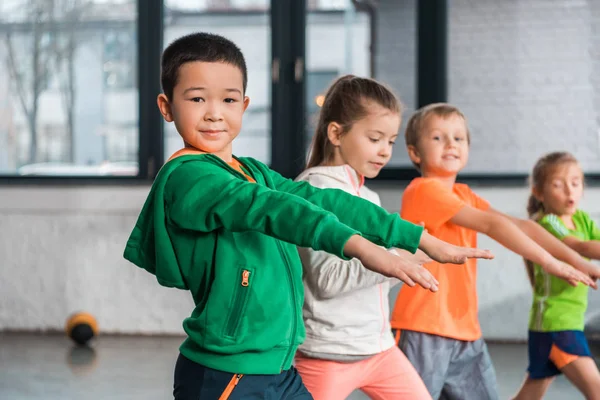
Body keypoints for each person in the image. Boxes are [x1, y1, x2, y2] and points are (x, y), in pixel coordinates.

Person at [122, 33, 493, 400]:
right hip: (227, 371)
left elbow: (323, 200)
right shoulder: (188, 176)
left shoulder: (253, 171)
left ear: (244, 105)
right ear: (167, 106)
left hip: (278, 368)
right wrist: (365, 250)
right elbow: (272, 208)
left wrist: (417, 238)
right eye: (197, 98)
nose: (215, 112)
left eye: (228, 99)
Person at [390, 103, 599, 400]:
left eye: (459, 138)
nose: (451, 144)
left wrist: (576, 261)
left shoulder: (463, 194)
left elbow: (520, 226)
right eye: (438, 137)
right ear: (414, 152)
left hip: (466, 330)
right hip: (424, 329)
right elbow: (491, 224)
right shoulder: (422, 190)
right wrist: (551, 263)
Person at [293, 75, 432, 400]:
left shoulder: (369, 197)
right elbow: (327, 281)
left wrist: (407, 265)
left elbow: (376, 278)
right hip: (327, 353)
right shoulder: (316, 190)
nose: (384, 151)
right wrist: (398, 260)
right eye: (375, 138)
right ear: (336, 133)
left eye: (391, 141)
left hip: (379, 349)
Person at [511, 152, 600, 400]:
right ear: (539, 192)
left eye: (575, 182)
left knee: (530, 395)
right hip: (557, 324)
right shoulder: (549, 222)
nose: (569, 191)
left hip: (565, 322)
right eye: (558, 185)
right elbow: (580, 247)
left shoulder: (581, 219)